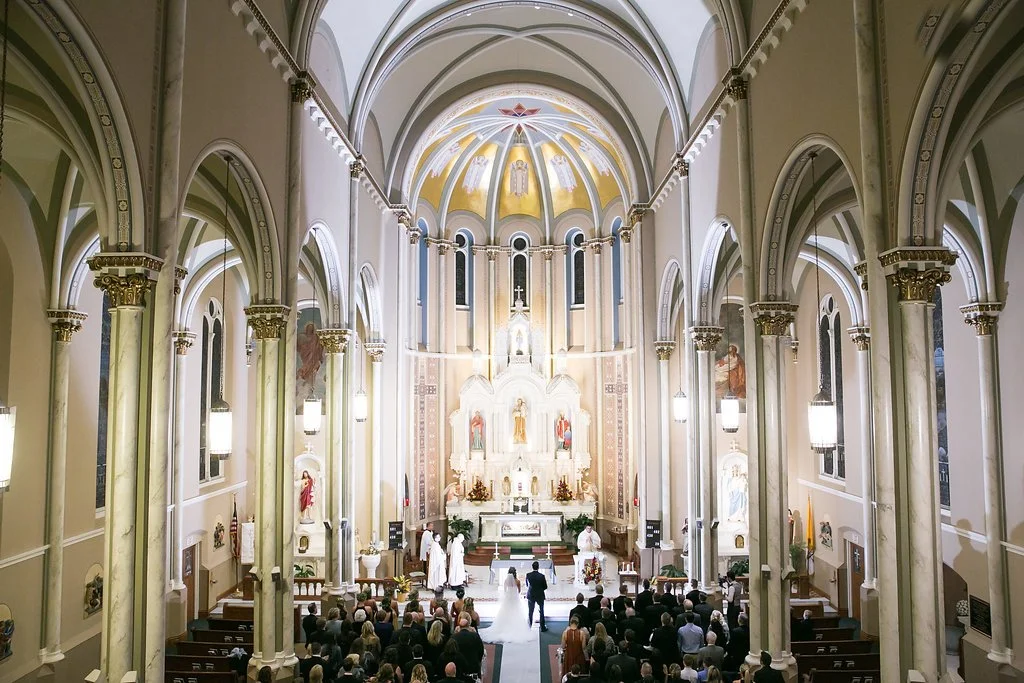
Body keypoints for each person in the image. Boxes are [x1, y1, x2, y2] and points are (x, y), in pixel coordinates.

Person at [478, 567, 534, 643]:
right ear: (515, 573)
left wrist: (509, 594)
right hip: (515, 599)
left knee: (506, 613)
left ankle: (504, 627)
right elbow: (519, 591)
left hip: (508, 598)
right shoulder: (517, 581)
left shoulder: (506, 581)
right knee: (516, 612)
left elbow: (505, 590)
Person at [526, 560, 549, 631]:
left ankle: (529, 627)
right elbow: (545, 586)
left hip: (531, 594)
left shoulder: (528, 575)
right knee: (541, 611)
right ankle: (542, 627)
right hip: (540, 595)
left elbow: (527, 585)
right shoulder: (542, 576)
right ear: (538, 567)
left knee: (530, 611)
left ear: (532, 567)